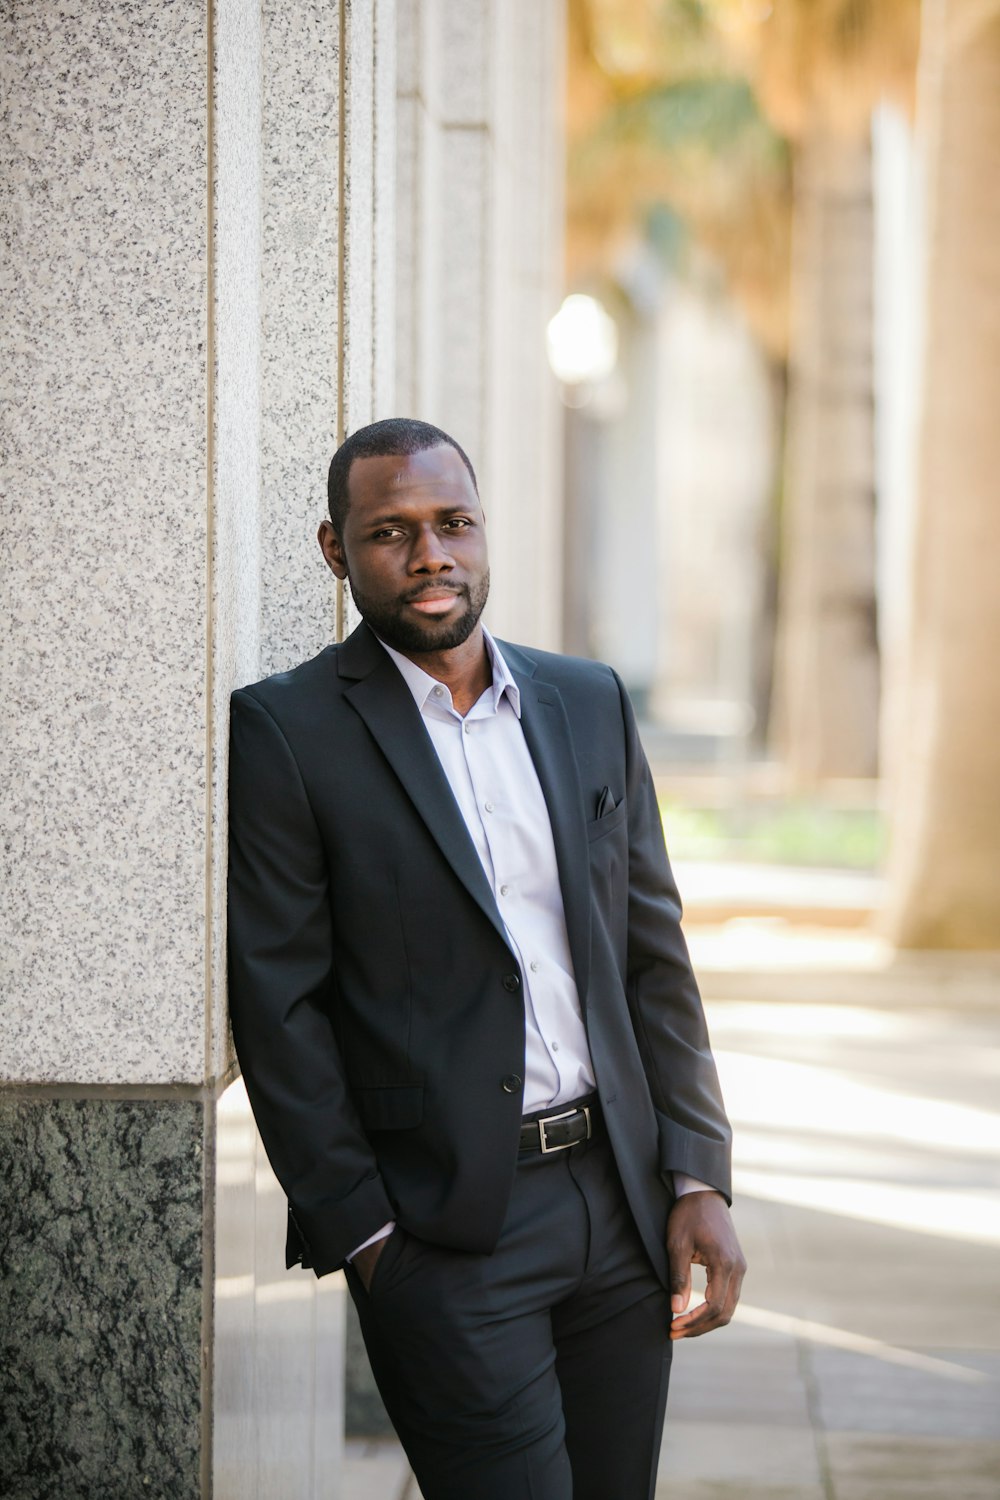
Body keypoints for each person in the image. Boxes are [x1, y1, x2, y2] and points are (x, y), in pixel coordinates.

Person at [227, 417, 745, 1500]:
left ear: (483, 533)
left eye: (453, 523)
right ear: (336, 551)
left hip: (619, 1204)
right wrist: (368, 1237)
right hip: (448, 1230)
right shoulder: (288, 732)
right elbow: (279, 1005)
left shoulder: (587, 702)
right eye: (391, 532)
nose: (431, 557)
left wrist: (695, 1174)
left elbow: (650, 953)